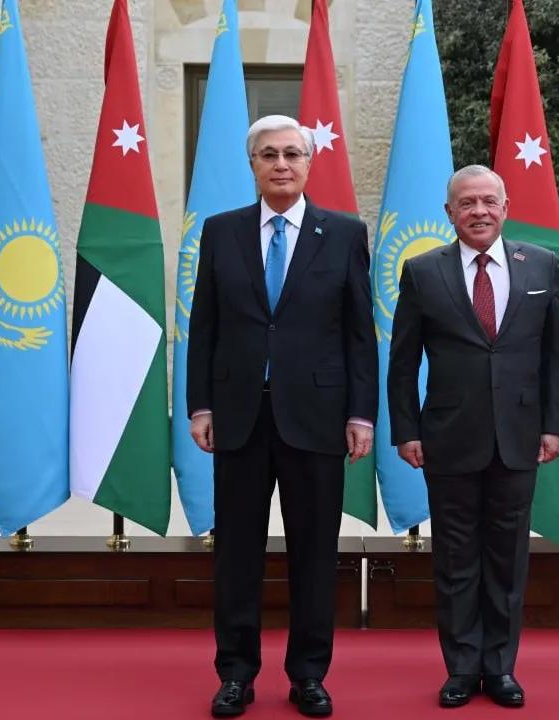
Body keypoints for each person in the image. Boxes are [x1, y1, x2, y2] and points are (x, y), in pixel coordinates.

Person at [186, 114, 376, 718]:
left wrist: (361, 415)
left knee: (315, 553)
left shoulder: (344, 233)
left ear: (309, 162)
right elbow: (204, 327)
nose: (281, 163)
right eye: (269, 154)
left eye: (293, 153)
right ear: (253, 165)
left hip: (317, 418)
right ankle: (236, 673)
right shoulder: (221, 232)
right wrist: (201, 404)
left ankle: (308, 675)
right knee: (236, 552)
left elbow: (357, 335)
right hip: (239, 416)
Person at [388, 165, 559, 709]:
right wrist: (406, 430)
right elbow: (402, 363)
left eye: (489, 201)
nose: (479, 212)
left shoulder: (540, 264)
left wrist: (554, 424)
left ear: (505, 207)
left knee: (508, 560)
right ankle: (463, 668)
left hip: (519, 437)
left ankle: (501, 668)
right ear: (450, 213)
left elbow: (555, 355)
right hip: (448, 439)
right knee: (455, 559)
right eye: (467, 203)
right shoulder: (422, 272)